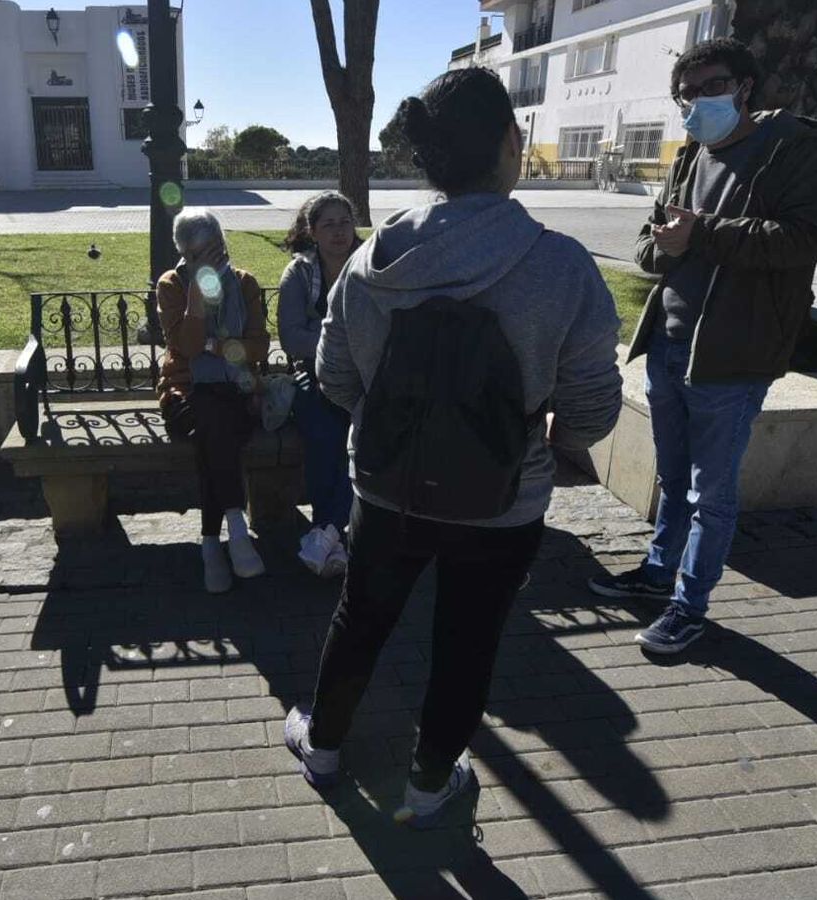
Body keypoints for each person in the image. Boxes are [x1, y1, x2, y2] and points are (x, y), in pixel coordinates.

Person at [283, 67, 623, 827]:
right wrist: (555, 438)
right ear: (512, 141)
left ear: (428, 157)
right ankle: (430, 784)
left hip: (385, 490)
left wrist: (397, 416)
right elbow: (593, 409)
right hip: (503, 501)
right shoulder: (561, 266)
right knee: (467, 643)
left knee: (360, 618)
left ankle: (325, 747)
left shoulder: (370, 266)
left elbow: (333, 376)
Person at [587, 38, 817, 654]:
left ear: (745, 87)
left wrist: (701, 233)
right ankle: (655, 573)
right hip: (670, 343)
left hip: (734, 352)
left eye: (710, 87)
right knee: (673, 480)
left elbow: (804, 240)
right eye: (686, 93)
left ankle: (689, 605)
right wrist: (668, 243)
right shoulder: (689, 156)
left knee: (711, 493)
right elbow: (650, 247)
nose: (696, 102)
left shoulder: (794, 149)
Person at [157, 209, 271, 594]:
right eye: (195, 256)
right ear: (184, 255)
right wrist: (196, 301)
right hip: (185, 393)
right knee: (211, 417)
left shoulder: (245, 283)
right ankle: (236, 530)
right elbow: (184, 349)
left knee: (214, 428)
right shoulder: (172, 285)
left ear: (224, 245)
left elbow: (257, 347)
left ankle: (211, 545)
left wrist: (213, 344)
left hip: (234, 392)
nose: (207, 262)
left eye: (214, 250)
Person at [278, 191, 360, 579]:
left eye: (345, 222)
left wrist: (324, 333)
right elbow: (293, 338)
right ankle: (336, 535)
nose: (339, 231)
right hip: (311, 373)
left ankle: (324, 534)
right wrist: (340, 341)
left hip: (361, 376)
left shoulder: (370, 266)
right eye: (328, 224)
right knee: (324, 433)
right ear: (312, 231)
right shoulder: (299, 273)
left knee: (359, 433)